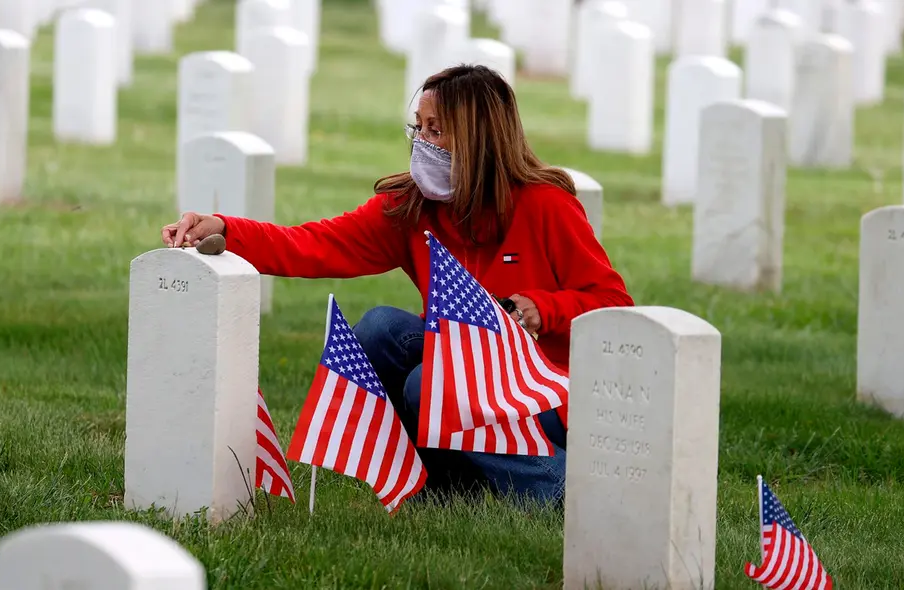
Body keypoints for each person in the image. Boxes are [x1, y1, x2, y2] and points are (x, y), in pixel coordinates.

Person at [162, 65, 634, 506]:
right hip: (465, 368)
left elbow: (613, 303)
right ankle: (441, 485)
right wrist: (225, 227)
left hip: (544, 388)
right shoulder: (412, 208)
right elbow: (313, 243)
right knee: (380, 329)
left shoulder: (545, 206)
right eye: (418, 127)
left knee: (428, 384)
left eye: (436, 129)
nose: (421, 142)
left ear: (477, 138)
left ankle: (558, 492)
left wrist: (542, 308)